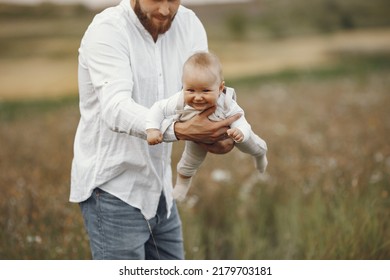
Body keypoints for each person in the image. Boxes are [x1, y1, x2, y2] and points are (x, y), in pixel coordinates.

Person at [70, 0, 240, 260]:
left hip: (161, 190)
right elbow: (116, 107)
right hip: (113, 190)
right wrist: (180, 129)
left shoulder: (190, 24)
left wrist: (219, 134)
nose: (164, 10)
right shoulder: (107, 29)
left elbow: (203, 95)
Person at [146, 51, 268, 201]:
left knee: (252, 146)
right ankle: (182, 185)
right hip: (196, 137)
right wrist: (152, 129)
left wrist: (240, 132)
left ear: (220, 88)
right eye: (190, 90)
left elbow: (241, 121)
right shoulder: (179, 100)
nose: (197, 97)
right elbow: (158, 108)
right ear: (183, 86)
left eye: (205, 91)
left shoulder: (226, 102)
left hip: (231, 133)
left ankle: (260, 155)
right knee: (187, 163)